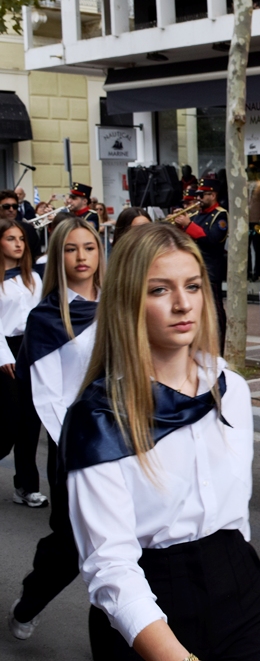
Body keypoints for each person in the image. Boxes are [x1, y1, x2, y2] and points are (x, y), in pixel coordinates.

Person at [62, 223, 260, 660]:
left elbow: (236, 511)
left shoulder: (229, 388)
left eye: (193, 286)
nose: (183, 304)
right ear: (128, 301)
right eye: (160, 290)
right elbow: (111, 563)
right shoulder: (100, 417)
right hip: (148, 599)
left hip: (238, 583)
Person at [8, 217, 103, 640]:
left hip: (129, 443)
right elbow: (47, 398)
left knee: (129, 549)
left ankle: (118, 635)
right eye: (71, 249)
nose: (81, 257)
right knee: (70, 544)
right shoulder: (46, 318)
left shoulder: (121, 303)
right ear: (56, 256)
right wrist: (84, 447)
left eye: (89, 247)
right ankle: (30, 602)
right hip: (78, 448)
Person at [0, 218, 45, 508]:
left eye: (21, 239)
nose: (18, 244)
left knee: (31, 421)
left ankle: (27, 486)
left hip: (32, 349)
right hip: (5, 352)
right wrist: (4, 357)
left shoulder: (33, 277)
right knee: (9, 422)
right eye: (11, 239)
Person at [175, 177, 228, 350]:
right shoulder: (197, 215)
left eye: (202, 195)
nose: (198, 199)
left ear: (212, 195)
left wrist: (188, 224)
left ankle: (218, 347)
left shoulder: (220, 214)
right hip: (193, 269)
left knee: (215, 310)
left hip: (211, 269)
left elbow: (213, 238)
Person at [1, 189, 41, 262]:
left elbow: (36, 255)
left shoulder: (28, 229)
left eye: (15, 206)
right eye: (6, 206)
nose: (11, 209)